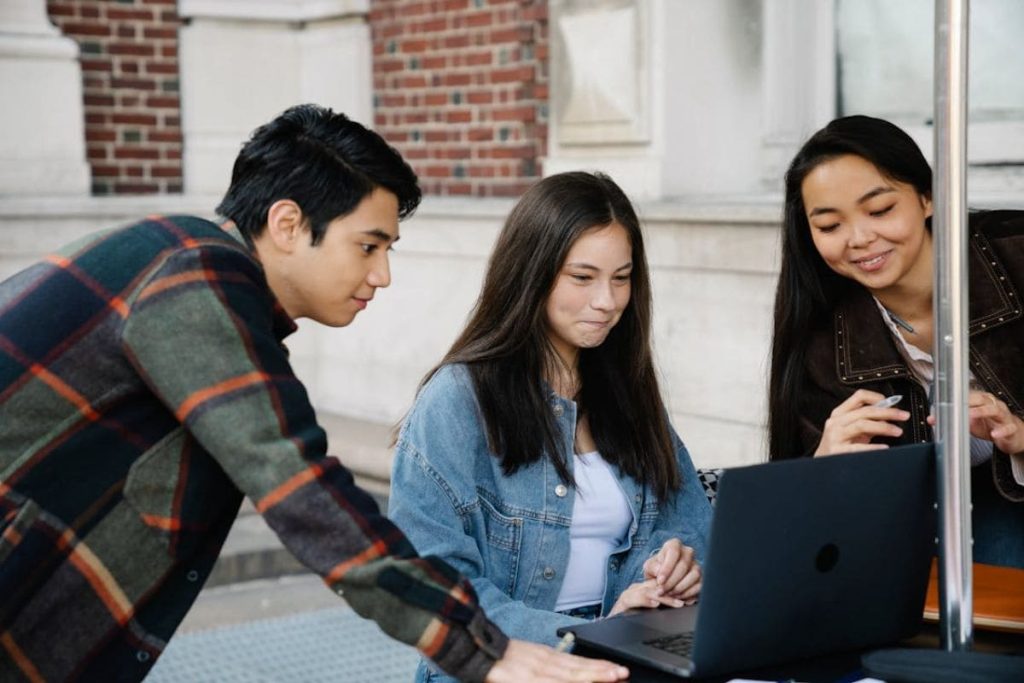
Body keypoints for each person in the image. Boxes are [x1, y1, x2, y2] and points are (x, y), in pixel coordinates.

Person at [0, 104, 630, 683]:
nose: (382, 275)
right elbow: (298, 485)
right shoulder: (189, 278)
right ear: (288, 223)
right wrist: (479, 648)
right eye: (369, 246)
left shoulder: (191, 276)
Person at [388, 171, 713, 681]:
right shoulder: (457, 401)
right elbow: (437, 584)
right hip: (509, 665)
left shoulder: (629, 392)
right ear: (531, 273)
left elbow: (691, 524)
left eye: (622, 277)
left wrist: (671, 568)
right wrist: (588, 636)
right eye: (582, 278)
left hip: (628, 655)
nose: (607, 301)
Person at [767, 114, 1024, 568]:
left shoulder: (1014, 254)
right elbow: (801, 523)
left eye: (880, 210)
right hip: (909, 536)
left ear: (927, 197)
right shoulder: (818, 332)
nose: (861, 239)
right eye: (829, 226)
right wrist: (825, 465)